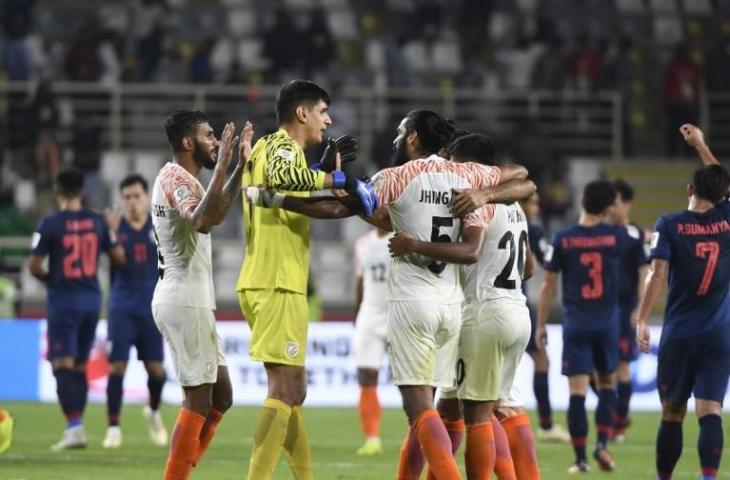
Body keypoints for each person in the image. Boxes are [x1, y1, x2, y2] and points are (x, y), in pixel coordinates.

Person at [250, 114, 534, 479]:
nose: (396, 140)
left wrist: (274, 198)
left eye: (401, 134)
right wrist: (485, 192)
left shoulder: (397, 176)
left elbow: (341, 207)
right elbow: (523, 177)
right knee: (460, 407)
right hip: (453, 308)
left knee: (421, 409)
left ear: (413, 138)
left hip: (415, 303)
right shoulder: (468, 178)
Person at [388, 132, 539, 479]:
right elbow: (528, 267)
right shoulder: (512, 205)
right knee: (460, 408)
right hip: (516, 311)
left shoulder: (473, 201)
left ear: (464, 164)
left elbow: (468, 251)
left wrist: (414, 244)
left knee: (478, 417)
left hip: (481, 313)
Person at [236, 79, 364, 480]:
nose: (327, 121)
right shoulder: (281, 147)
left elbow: (286, 188)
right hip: (277, 282)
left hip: (272, 280)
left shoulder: (264, 149)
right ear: (302, 113)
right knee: (283, 391)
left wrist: (322, 169)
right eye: (323, 112)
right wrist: (339, 180)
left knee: (294, 392)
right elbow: (286, 177)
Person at [151, 110, 253, 480]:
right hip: (182, 297)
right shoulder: (178, 180)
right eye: (209, 136)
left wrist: (239, 167)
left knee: (221, 395)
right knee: (198, 397)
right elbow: (200, 219)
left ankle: (184, 466)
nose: (215, 142)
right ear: (187, 143)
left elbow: (216, 214)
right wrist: (225, 163)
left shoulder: (186, 178)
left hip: (190, 298)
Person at [636, 123, 730, 480]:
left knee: (672, 413)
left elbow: (657, 275)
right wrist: (701, 144)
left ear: (689, 189)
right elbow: (723, 183)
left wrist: (642, 318)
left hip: (679, 334)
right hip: (719, 335)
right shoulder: (727, 220)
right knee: (710, 412)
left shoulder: (670, 224)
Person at [537, 180, 646, 474]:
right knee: (607, 385)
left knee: (577, 393)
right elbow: (642, 243)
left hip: (576, 325)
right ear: (609, 206)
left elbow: (548, 286)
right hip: (608, 325)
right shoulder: (617, 236)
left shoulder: (563, 238)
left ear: (583, 200)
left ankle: (580, 459)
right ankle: (602, 445)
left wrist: (542, 324)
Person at [28, 167, 125, 450]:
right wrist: (112, 232)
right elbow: (118, 256)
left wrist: (51, 281)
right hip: (92, 301)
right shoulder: (98, 222)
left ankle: (74, 427)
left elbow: (34, 265)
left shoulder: (49, 224)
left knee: (61, 364)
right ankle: (76, 426)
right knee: (80, 365)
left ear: (58, 191)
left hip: (63, 301)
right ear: (83, 192)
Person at [102, 174, 168, 449]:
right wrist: (111, 236)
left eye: (136, 196)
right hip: (121, 307)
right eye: (126, 197)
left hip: (151, 308)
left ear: (146, 196)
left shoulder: (159, 227)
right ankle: (114, 428)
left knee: (157, 372)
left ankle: (152, 410)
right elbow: (120, 262)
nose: (131, 202)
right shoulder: (116, 229)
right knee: (117, 366)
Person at [521, 191, 570, 443]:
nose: (537, 207)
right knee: (541, 360)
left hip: (483, 303)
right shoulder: (532, 230)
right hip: (517, 305)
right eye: (533, 202)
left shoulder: (489, 220)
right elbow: (549, 262)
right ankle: (547, 425)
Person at [607, 179, 648, 442]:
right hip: (598, 311)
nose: (612, 207)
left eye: (617, 201)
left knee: (620, 369)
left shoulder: (634, 237)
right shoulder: (599, 232)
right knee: (598, 371)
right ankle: (612, 418)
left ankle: (617, 424)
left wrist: (640, 309)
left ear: (627, 204)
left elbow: (645, 272)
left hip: (622, 311)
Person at [353, 227, 392, 456]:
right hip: (370, 316)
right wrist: (357, 314)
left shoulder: (402, 238)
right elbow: (360, 280)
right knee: (367, 376)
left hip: (399, 316)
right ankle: (372, 438)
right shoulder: (362, 243)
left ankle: (417, 434)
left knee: (411, 383)